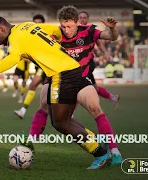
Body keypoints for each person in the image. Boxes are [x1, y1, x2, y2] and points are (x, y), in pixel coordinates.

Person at [0, 16, 116, 169]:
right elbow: (56, 31)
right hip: (68, 68)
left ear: (2, 29)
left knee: (61, 122)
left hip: (62, 73)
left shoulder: (14, 37)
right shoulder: (27, 25)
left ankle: (100, 153)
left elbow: (12, 58)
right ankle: (97, 143)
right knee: (60, 120)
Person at [18, 6, 122, 165]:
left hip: (81, 78)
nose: (65, 30)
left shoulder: (88, 31)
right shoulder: (55, 34)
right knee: (45, 103)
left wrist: (113, 29)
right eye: (63, 26)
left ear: (77, 22)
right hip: (59, 79)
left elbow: (111, 37)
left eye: (69, 26)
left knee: (94, 107)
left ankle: (114, 150)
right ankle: (31, 142)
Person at [78, 11, 120, 108]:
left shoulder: (90, 31)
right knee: (94, 88)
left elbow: (100, 43)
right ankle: (113, 97)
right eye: (80, 17)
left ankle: (71, 114)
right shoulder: (73, 31)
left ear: (87, 19)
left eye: (84, 17)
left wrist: (106, 53)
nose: (82, 19)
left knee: (78, 85)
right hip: (77, 64)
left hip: (87, 63)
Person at [14, 14, 48, 117]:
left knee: (34, 86)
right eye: (35, 23)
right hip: (40, 66)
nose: (37, 24)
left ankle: (23, 110)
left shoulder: (46, 35)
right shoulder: (31, 37)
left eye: (39, 22)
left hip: (46, 66)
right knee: (47, 94)